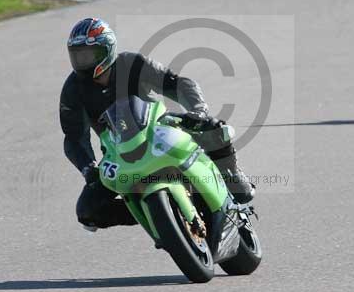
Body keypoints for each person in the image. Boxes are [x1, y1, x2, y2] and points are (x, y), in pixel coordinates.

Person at [59, 17, 255, 231]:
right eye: (77, 56)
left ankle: (231, 175)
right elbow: (73, 138)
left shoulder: (131, 63)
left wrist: (198, 111)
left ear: (107, 50)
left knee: (214, 127)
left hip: (158, 128)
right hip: (118, 152)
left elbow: (177, 83)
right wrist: (88, 168)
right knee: (88, 211)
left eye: (88, 55)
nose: (82, 62)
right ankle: (154, 214)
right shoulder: (72, 89)